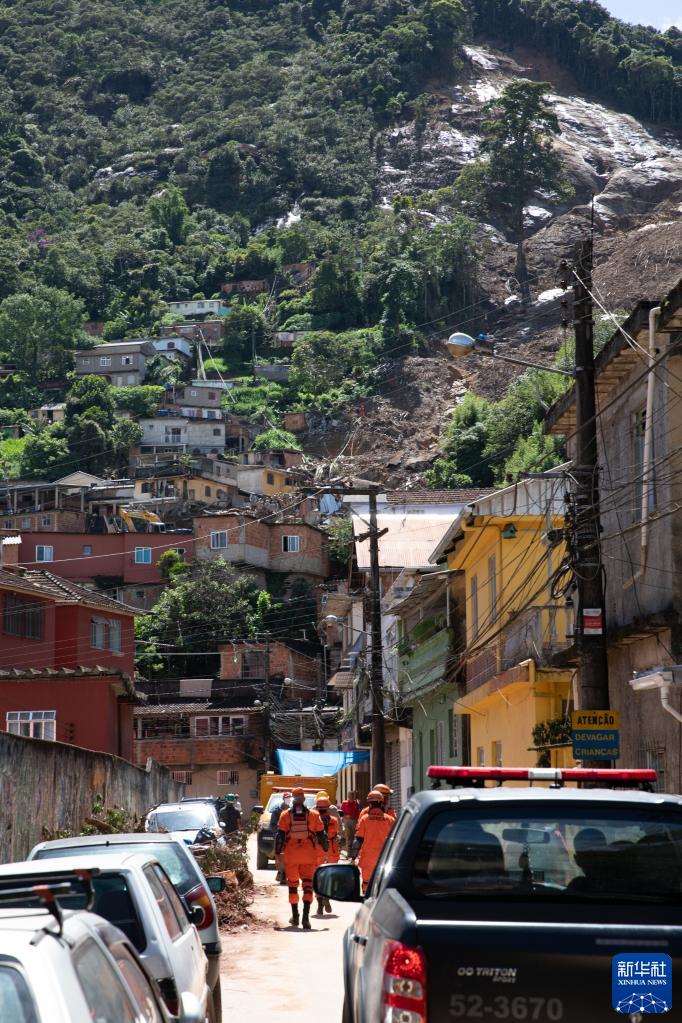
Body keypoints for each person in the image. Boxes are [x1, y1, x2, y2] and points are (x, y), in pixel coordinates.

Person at [275, 786, 327, 929]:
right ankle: (306, 918)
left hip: (291, 855)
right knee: (308, 885)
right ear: (303, 799)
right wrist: (325, 851)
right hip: (309, 855)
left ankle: (295, 916)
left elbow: (279, 836)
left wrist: (277, 854)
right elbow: (322, 836)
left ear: (292, 799)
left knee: (292, 886)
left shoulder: (285, 815)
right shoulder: (314, 815)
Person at [352, 789, 395, 893]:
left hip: (368, 858)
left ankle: (367, 903)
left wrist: (353, 857)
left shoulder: (364, 819)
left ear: (369, 803)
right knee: (383, 884)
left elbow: (358, 840)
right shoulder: (390, 819)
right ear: (381, 802)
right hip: (385, 858)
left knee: (366, 883)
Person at [314, 792, 340, 916]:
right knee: (330, 878)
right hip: (331, 851)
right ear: (328, 807)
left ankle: (319, 904)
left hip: (317, 852)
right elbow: (336, 835)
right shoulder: (334, 820)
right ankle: (327, 898)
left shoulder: (313, 820)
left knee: (318, 878)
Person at [269, 792, 291, 884]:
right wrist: (278, 835)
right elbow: (272, 825)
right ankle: (281, 874)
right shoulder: (276, 810)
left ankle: (285, 875)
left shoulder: (291, 810)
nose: (288, 799)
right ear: (283, 798)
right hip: (280, 838)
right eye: (287, 798)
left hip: (289, 838)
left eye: (289, 798)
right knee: (279, 857)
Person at [340, 790, 361, 855]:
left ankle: (354, 852)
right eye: (349, 795)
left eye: (351, 795)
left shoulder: (356, 803)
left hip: (354, 821)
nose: (350, 796)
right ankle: (349, 853)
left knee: (354, 836)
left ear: (353, 796)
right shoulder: (344, 803)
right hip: (347, 821)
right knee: (348, 837)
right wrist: (346, 816)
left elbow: (358, 813)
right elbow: (341, 812)